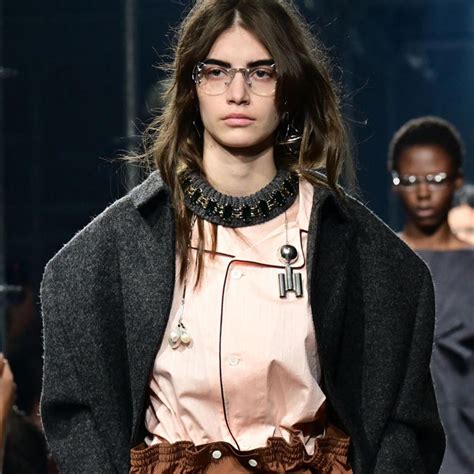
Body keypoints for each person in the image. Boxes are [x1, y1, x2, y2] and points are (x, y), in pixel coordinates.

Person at [40, 1, 444, 473]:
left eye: (261, 73)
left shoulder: (362, 252)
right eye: (216, 72)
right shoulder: (113, 251)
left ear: (290, 87)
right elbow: (78, 415)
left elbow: (404, 425)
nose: (237, 93)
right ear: (191, 87)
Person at [389, 116, 474, 473]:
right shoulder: (378, 261)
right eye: (410, 181)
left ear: (457, 180)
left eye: (436, 179)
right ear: (395, 182)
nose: (423, 192)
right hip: (394, 453)